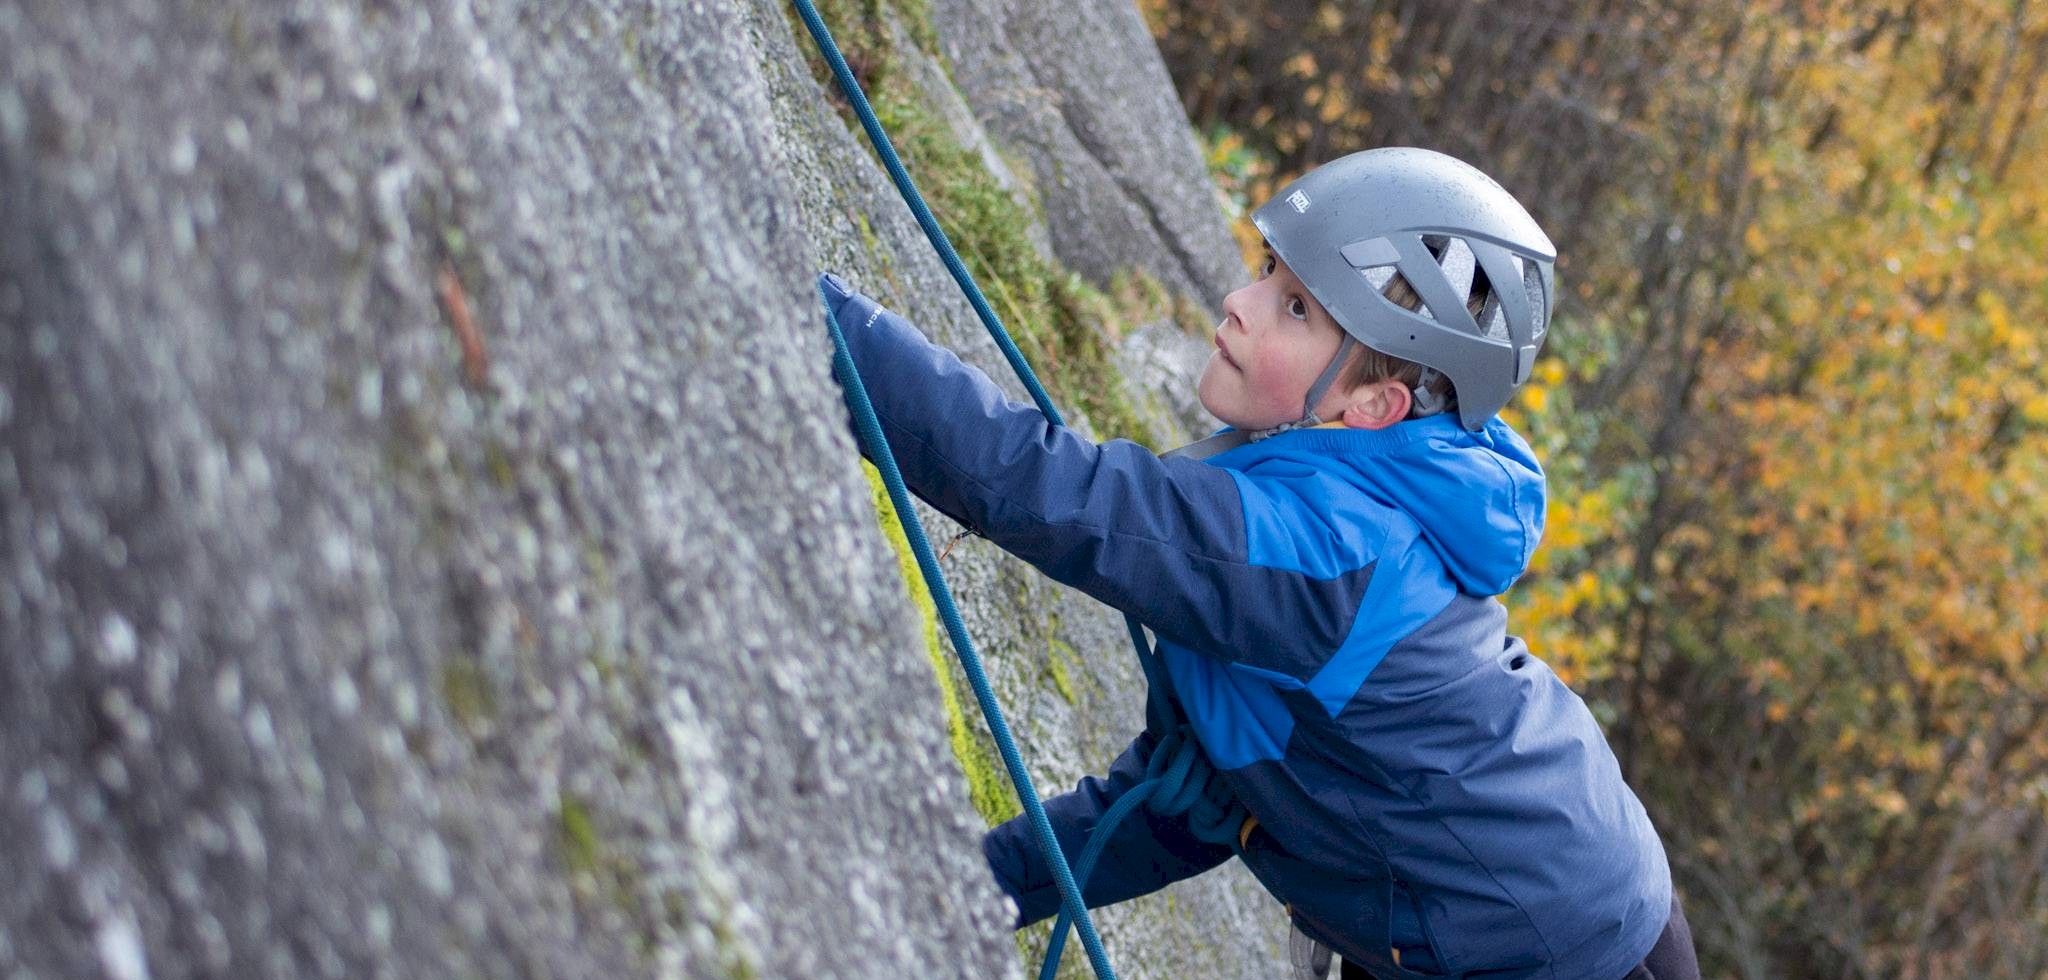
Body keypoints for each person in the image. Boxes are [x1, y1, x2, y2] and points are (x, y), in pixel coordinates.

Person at [818, 147, 1698, 979]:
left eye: (1298, 309)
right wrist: (948, 895)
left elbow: (1060, 495)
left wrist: (821, 324)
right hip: (1501, 921)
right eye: (1270, 274)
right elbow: (1183, 805)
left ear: (1373, 405)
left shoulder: (1327, 551)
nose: (1241, 300)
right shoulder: (1319, 501)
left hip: (1571, 953)